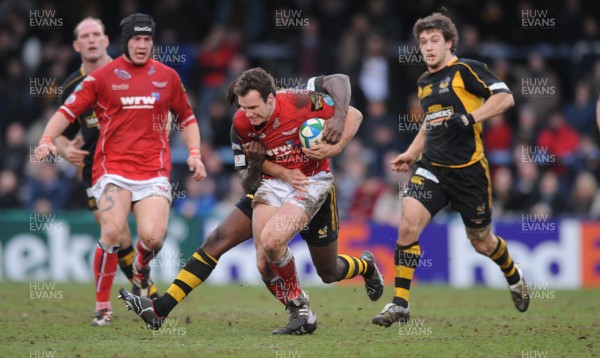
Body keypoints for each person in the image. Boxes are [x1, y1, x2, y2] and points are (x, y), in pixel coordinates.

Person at [118, 73, 383, 335]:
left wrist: (335, 137)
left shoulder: (301, 102)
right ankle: (161, 309)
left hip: (311, 182)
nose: (249, 114)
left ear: (271, 98)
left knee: (328, 271)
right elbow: (248, 184)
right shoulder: (241, 125)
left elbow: (350, 104)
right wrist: (256, 164)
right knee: (233, 247)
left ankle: (366, 266)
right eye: (244, 107)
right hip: (271, 184)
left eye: (254, 107)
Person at [35, 14, 206, 327]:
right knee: (112, 232)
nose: (142, 45)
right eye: (136, 39)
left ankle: (141, 271)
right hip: (111, 170)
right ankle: (102, 307)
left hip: (153, 172)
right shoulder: (102, 78)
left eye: (147, 40)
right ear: (125, 42)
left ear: (152, 43)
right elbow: (66, 111)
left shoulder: (167, 77)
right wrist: (48, 138)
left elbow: (187, 117)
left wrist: (194, 152)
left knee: (153, 238)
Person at [372, 13, 530, 328]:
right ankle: (400, 304)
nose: (428, 48)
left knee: (482, 242)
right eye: (423, 42)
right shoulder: (424, 82)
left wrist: (470, 118)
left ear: (449, 43)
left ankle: (514, 275)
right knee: (407, 226)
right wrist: (411, 153)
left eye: (434, 41)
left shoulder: (467, 70)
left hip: (469, 172)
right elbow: (430, 123)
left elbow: (505, 98)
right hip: (432, 167)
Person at [54, 18, 160, 325]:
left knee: (150, 236)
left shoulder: (132, 72)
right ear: (77, 45)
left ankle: (143, 288)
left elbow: (163, 108)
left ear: (106, 39)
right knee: (114, 233)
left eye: (96, 34)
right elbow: (61, 131)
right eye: (84, 36)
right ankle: (112, 303)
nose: (90, 40)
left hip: (141, 167)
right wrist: (65, 149)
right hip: (98, 171)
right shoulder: (73, 86)